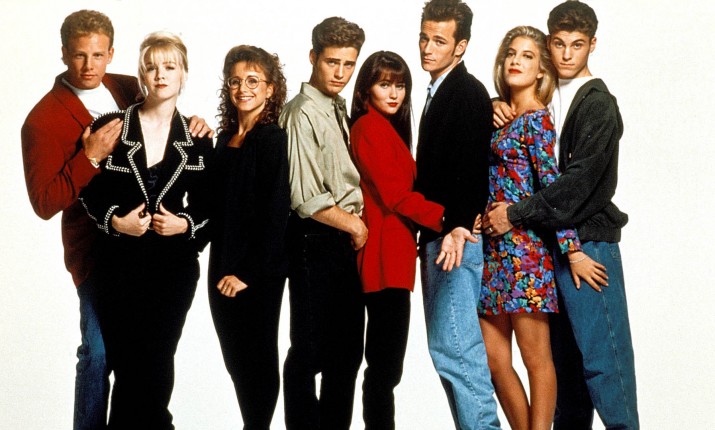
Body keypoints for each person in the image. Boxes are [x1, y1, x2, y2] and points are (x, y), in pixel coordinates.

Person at [20, 10, 209, 430]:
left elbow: (164, 100)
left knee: (146, 361)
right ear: (64, 54)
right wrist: (89, 159)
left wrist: (196, 124)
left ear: (111, 54)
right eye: (79, 55)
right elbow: (44, 203)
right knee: (99, 353)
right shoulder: (43, 119)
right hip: (96, 251)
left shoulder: (124, 86)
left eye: (98, 55)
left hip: (159, 257)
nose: (89, 66)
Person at [485, 2, 639, 429]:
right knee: (567, 370)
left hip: (587, 245)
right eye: (558, 44)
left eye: (577, 45)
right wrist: (493, 104)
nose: (567, 54)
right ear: (548, 45)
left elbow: (575, 184)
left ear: (592, 45)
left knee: (605, 365)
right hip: (547, 244)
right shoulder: (547, 96)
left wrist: (516, 214)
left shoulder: (598, 104)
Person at [78, 31, 213, 429]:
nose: (160, 75)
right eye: (152, 67)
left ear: (183, 73)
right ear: (141, 76)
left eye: (169, 67)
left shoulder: (198, 138)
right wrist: (115, 221)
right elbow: (87, 192)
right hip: (118, 266)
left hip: (173, 270)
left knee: (156, 362)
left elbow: (211, 206)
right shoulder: (111, 127)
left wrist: (184, 223)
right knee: (128, 365)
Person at [479, 25, 602, 430]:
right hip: (491, 254)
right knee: (495, 360)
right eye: (511, 53)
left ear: (541, 71)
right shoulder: (498, 117)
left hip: (525, 254)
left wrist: (572, 250)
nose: (516, 61)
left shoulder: (537, 121)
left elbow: (552, 189)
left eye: (527, 56)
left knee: (536, 359)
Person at [349, 51, 448, 429]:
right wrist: (447, 217)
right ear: (367, 90)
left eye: (400, 85)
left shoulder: (386, 128)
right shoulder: (369, 127)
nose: (394, 93)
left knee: (386, 367)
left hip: (394, 258)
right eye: (384, 84)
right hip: (383, 259)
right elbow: (395, 196)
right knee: (384, 368)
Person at [414, 0, 500, 428]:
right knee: (449, 353)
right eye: (424, 38)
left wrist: (459, 225)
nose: (427, 48)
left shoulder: (466, 92)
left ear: (460, 46)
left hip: (454, 239)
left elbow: (472, 166)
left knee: (458, 352)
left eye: (439, 41)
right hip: (440, 235)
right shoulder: (440, 90)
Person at [278, 16, 367, 430]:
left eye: (349, 64)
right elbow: (305, 199)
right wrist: (355, 226)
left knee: (346, 355)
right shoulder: (301, 113)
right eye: (333, 62)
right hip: (315, 239)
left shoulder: (336, 107)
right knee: (310, 352)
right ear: (313, 57)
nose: (341, 73)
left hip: (338, 242)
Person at [208, 45, 290, 430]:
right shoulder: (225, 138)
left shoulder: (272, 138)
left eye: (253, 81)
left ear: (270, 89)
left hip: (257, 272)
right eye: (236, 81)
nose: (243, 89)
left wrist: (247, 273)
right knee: (235, 362)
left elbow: (275, 214)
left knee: (257, 359)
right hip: (221, 264)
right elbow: (213, 204)